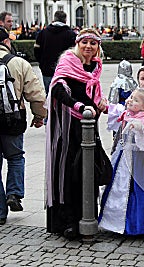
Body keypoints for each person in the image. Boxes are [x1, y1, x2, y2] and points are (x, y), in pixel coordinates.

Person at [45, 28, 107, 239]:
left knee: (87, 173)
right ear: (77, 44)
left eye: (93, 43)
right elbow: (57, 89)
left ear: (98, 47)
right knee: (69, 174)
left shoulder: (95, 67)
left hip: (89, 127)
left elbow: (93, 94)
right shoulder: (68, 61)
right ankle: (68, 221)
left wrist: (99, 105)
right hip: (68, 128)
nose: (88, 46)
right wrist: (78, 106)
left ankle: (88, 217)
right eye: (84, 42)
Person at [0, 26, 47, 225]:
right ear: (6, 42)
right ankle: (15, 193)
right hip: (14, 118)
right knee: (15, 156)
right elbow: (36, 94)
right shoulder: (18, 62)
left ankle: (0, 213)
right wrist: (39, 116)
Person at [99, 89, 144, 235]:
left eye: (136, 100)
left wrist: (138, 127)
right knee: (117, 185)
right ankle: (114, 222)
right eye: (131, 97)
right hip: (122, 156)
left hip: (139, 161)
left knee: (138, 189)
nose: (131, 100)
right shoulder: (126, 114)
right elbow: (114, 111)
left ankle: (139, 225)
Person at [34, 11, 76, 95]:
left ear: (54, 19)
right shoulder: (71, 34)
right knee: (66, 95)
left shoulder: (43, 33)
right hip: (65, 70)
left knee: (49, 93)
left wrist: (41, 63)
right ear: (65, 20)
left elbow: (36, 50)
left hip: (47, 68)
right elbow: (75, 54)